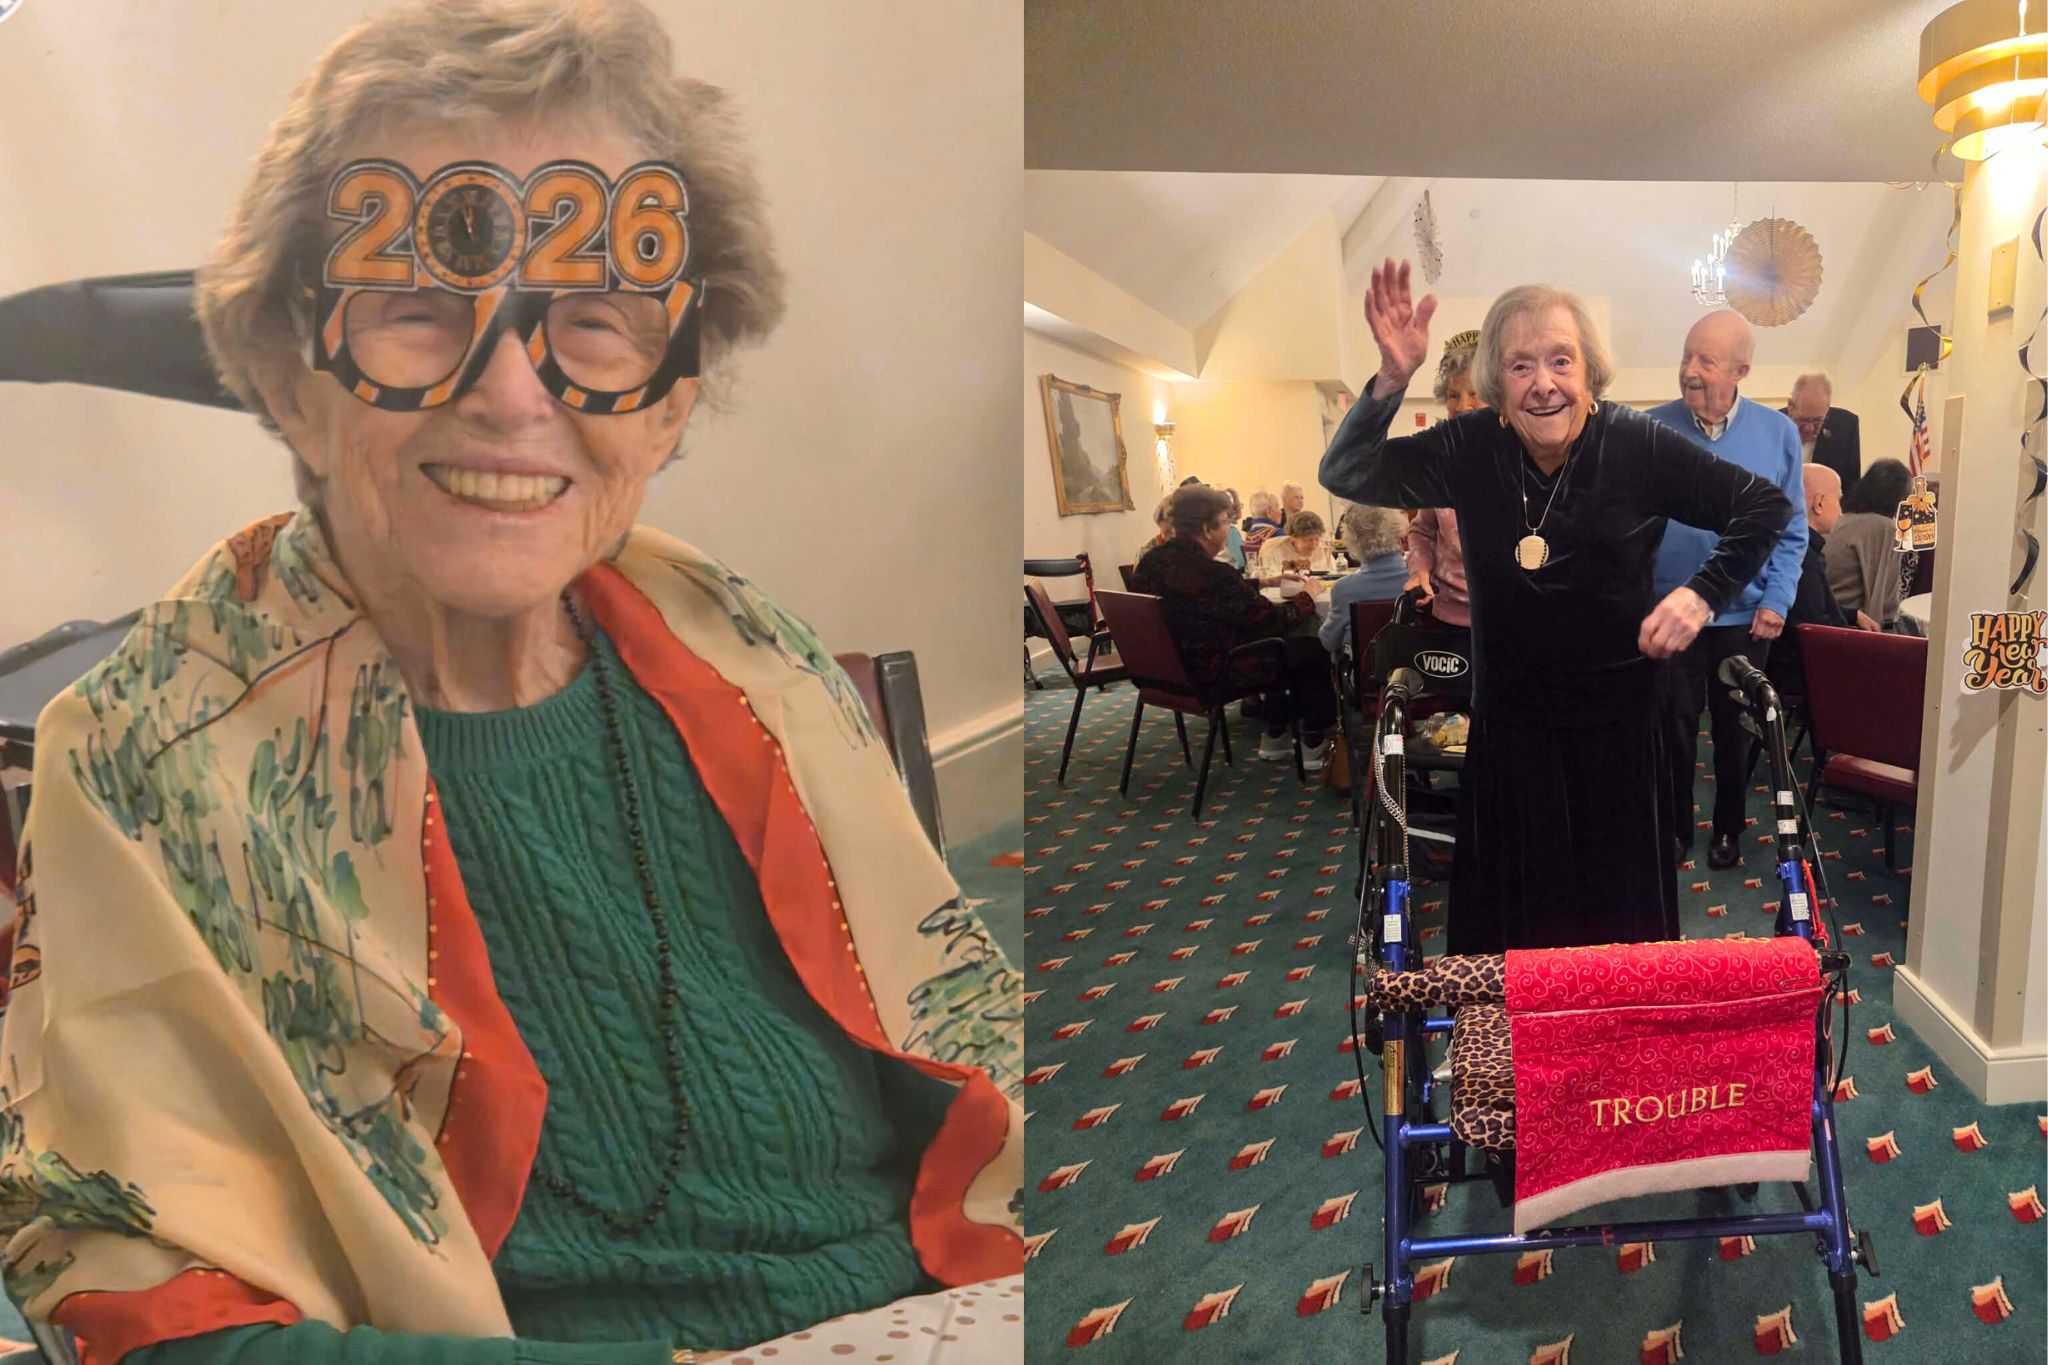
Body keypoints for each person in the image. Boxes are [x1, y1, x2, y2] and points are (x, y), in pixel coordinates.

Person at [0, 4, 1022, 1361]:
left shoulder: (741, 649)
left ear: (670, 400)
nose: (508, 388)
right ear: (279, 371)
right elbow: (150, 1313)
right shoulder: (146, 760)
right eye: (420, 309)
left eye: (595, 319)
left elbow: (978, 1074)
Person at [1320, 259, 1791, 953]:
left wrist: (1703, 592)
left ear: (1588, 371)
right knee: (1514, 926)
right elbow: (1346, 472)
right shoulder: (1469, 445)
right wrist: (1391, 381)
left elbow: (1764, 504)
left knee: (1617, 926)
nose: (1543, 383)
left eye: (1560, 360)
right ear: (1496, 384)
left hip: (1621, 726)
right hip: (1512, 725)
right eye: (1519, 366)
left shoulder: (1638, 443)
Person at [1648, 311, 1807, 871]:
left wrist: (1776, 600)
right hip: (1671, 614)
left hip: (1744, 617)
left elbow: (1793, 530)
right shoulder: (1652, 429)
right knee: (1672, 731)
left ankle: (1729, 831)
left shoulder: (1778, 433)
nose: (1690, 371)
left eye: (1706, 361)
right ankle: (1673, 830)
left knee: (1736, 736)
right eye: (1686, 357)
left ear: (1740, 370)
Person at [1129, 486, 1337, 770]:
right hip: (1215, 670)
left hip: (1166, 669)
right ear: (1207, 529)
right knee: (1311, 648)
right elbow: (1270, 621)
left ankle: (1275, 733)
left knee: (1282, 648)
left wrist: (1263, 582)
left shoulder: (1150, 563)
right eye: (1226, 522)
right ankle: (1312, 743)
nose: (1229, 529)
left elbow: (1204, 598)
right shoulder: (1214, 574)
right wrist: (1308, 596)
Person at [1404, 330, 1485, 626]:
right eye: (1454, 395)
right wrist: (1419, 568)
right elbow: (1422, 531)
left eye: (1475, 394)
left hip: (1512, 623)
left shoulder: (1526, 458)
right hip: (1448, 621)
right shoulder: (1439, 463)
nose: (1463, 406)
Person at [1767, 465, 1852, 701]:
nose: (1841, 510)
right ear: (1819, 503)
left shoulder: (1785, 543)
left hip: (1787, 660)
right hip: (1808, 668)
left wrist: (1852, 615)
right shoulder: (1800, 556)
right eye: (1839, 499)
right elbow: (1812, 627)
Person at [1825, 458, 1915, 632]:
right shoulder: (1884, 528)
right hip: (1853, 627)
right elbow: (1877, 596)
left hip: (1830, 617)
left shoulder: (1842, 520)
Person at [1321, 504, 1411, 656]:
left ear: (1351, 539)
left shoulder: (1344, 589)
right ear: (1399, 533)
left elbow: (1329, 642)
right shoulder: (1419, 580)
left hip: (1365, 672)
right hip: (1413, 671)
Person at [1784, 372, 1862, 497]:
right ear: (1790, 406)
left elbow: (1851, 486)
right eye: (1803, 420)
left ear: (1827, 410)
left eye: (1817, 421)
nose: (1809, 428)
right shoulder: (1772, 426)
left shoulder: (1845, 427)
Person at [1257, 510, 1336, 575]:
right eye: (1308, 540)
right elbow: (1269, 577)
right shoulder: (1273, 549)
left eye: (1317, 539)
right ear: (1292, 537)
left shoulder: (1323, 550)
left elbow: (1334, 573)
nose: (1314, 544)